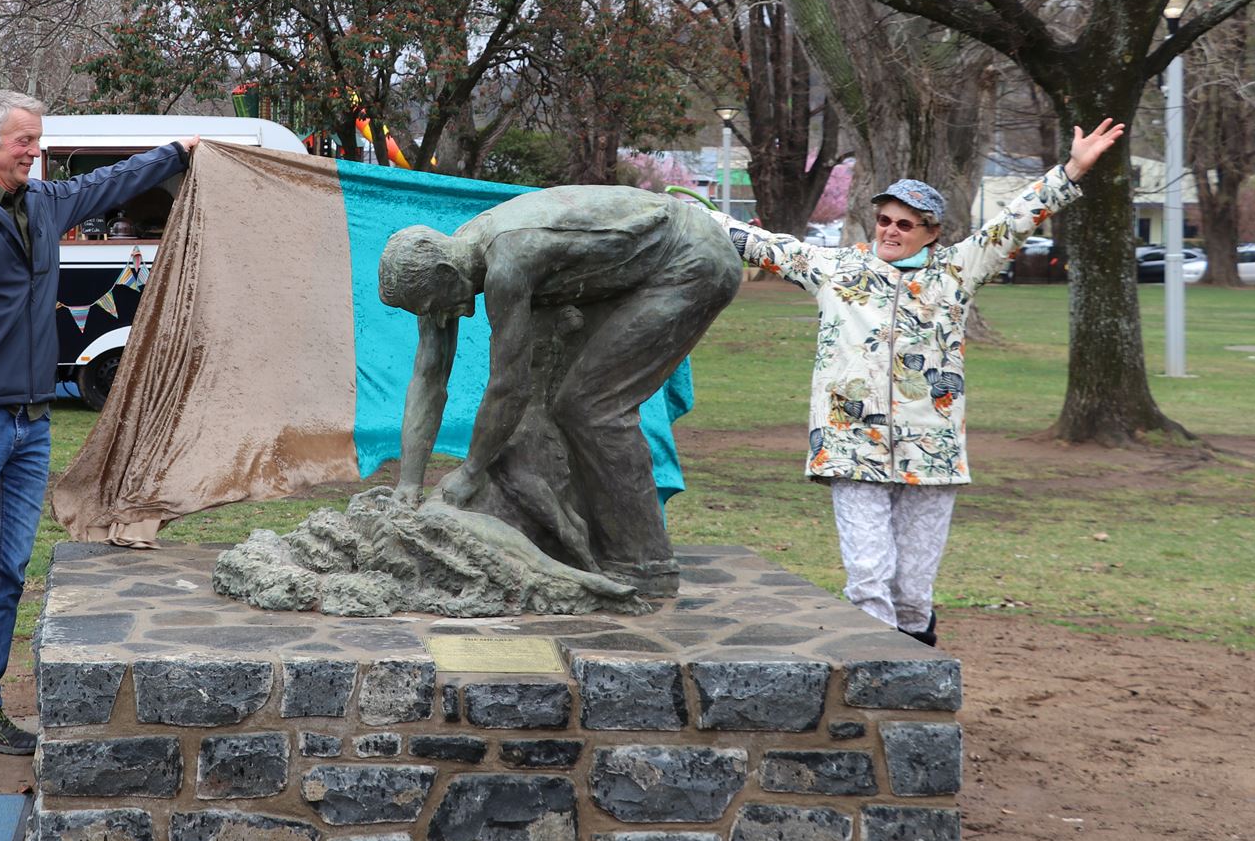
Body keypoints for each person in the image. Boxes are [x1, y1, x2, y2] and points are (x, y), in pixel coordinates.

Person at [706, 120, 1126, 646]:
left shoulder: (956, 271)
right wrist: (688, 213)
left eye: (905, 223)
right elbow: (764, 245)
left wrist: (1071, 170)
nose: (890, 230)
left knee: (912, 592)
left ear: (932, 232)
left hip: (932, 452)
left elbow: (1014, 222)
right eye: (883, 219)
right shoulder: (837, 269)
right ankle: (877, 691)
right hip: (851, 444)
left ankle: (915, 686)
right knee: (868, 579)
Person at [0, 91, 197, 751]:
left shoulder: (46, 203)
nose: (35, 151)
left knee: (5, 568)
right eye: (24, 141)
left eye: (38, 140)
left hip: (32, 421)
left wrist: (176, 153)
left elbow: (111, 180)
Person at [379, 185, 740, 596]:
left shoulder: (508, 261)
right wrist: (409, 483)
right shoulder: (451, 256)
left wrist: (470, 472)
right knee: (552, 407)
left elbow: (507, 387)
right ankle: (571, 542)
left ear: (447, 275)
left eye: (430, 306)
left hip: (691, 260)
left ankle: (646, 564)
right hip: (623, 269)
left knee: (592, 406)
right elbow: (429, 374)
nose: (435, 319)